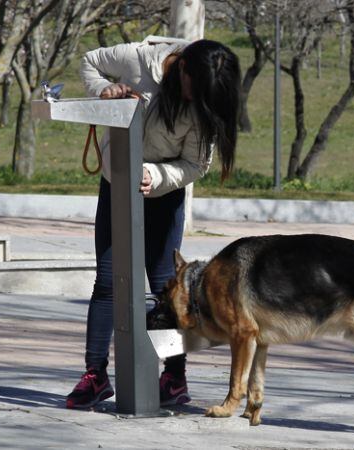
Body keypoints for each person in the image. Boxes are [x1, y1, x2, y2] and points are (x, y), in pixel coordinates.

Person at [65, 36, 241, 410]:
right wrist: (105, 91)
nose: (197, 101)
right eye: (197, 90)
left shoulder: (203, 101)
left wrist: (157, 176)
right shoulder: (136, 59)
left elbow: (196, 164)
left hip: (162, 195)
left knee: (166, 288)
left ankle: (174, 377)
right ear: (182, 68)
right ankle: (95, 375)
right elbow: (89, 61)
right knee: (108, 281)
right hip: (116, 184)